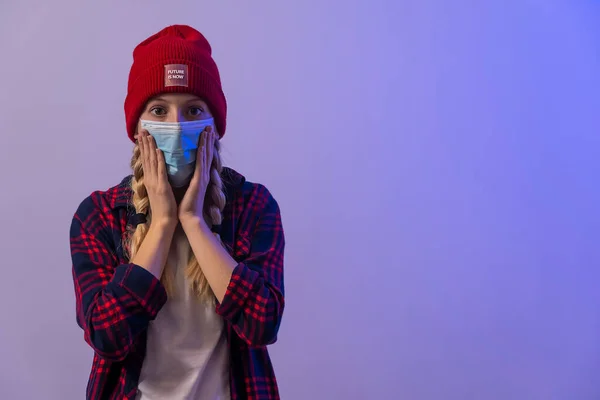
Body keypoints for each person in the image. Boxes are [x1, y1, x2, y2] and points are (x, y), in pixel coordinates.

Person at [69, 24, 285, 400]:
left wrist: (195, 223)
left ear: (214, 126)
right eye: (159, 110)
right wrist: (164, 223)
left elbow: (261, 324)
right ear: (137, 128)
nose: (176, 126)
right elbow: (107, 336)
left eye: (193, 110)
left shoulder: (253, 205)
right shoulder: (98, 216)